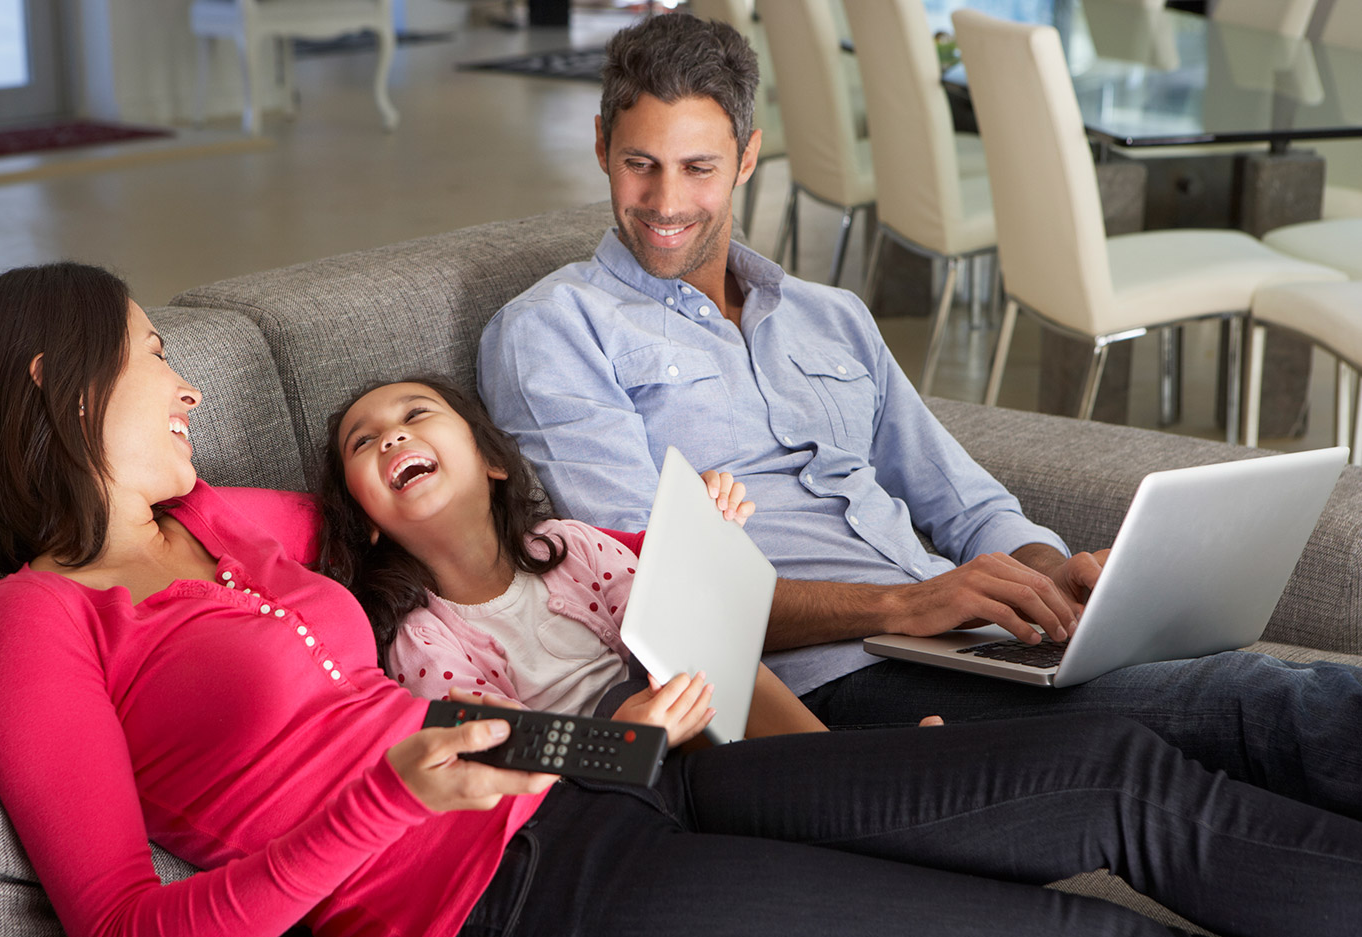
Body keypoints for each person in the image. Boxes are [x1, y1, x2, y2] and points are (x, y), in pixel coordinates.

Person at [0, 266, 1362, 937]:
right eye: (157, 357)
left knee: (1115, 776)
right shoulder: (34, 626)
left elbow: (455, 517)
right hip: (512, 918)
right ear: (60, 381)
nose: (190, 389)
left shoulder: (230, 524)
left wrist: (664, 583)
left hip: (622, 768)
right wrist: (382, 801)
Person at [475, 12, 1362, 819]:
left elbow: (965, 505)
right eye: (641, 164)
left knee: (1251, 699)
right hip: (828, 686)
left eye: (698, 167)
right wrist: (907, 603)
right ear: (600, 146)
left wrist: (1056, 575)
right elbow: (653, 594)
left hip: (957, 639)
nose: (666, 204)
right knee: (1254, 700)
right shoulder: (555, 332)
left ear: (747, 157)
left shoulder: (831, 315)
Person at [314, 374, 829, 743]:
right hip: (603, 781)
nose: (392, 437)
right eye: (363, 441)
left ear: (492, 461)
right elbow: (504, 753)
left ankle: (833, 760)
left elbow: (674, 628)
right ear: (367, 522)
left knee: (711, 667)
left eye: (415, 413)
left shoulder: (571, 545)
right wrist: (624, 738)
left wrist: (698, 539)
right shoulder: (420, 637)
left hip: (684, 710)